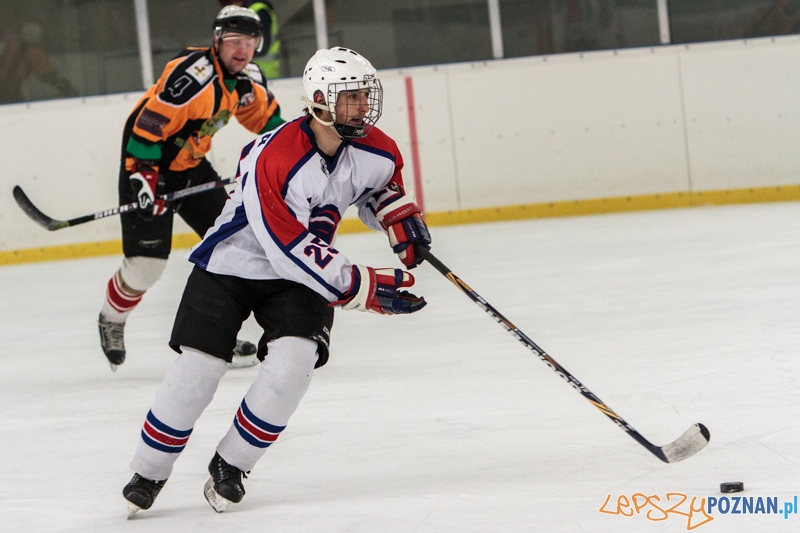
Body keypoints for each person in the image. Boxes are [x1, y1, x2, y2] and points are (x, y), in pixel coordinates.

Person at [121, 46, 432, 516]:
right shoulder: (278, 156)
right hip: (232, 264)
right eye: (350, 97)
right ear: (320, 102)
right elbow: (286, 247)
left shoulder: (377, 148)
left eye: (365, 95)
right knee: (198, 372)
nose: (363, 106)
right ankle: (149, 471)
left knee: (293, 367)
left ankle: (232, 464)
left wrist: (398, 217)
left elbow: (380, 186)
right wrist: (360, 286)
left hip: (301, 276)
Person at [97, 5, 284, 371]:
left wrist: (300, 146)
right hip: (148, 161)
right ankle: (111, 319)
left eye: (250, 42)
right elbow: (148, 125)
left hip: (191, 166)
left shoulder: (248, 79)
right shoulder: (192, 76)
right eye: (235, 40)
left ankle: (215, 335)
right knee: (146, 267)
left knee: (235, 246)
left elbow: (268, 122)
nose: (242, 50)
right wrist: (144, 175)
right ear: (217, 40)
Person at [218, 0, 281, 78]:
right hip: (251, 73)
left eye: (230, 4)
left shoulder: (259, 11)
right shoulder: (247, 13)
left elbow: (263, 46)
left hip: (264, 73)